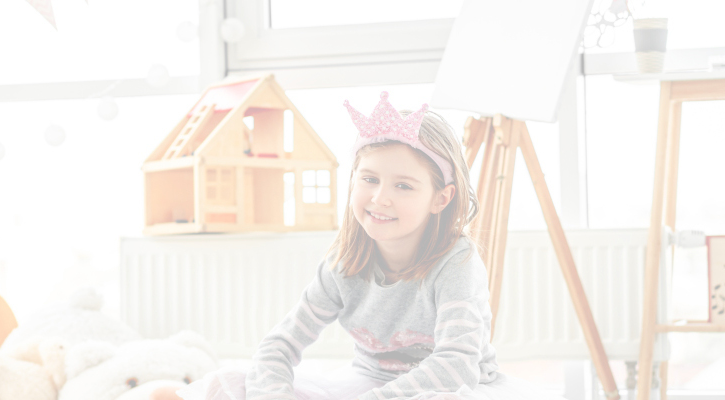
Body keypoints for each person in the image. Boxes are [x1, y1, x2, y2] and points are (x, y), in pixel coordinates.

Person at [178, 92, 552, 400]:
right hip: (365, 381)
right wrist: (274, 395)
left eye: (403, 185)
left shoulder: (456, 262)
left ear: (441, 198)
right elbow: (279, 345)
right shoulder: (342, 266)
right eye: (369, 179)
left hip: (456, 387)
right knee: (227, 382)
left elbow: (456, 363)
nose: (380, 197)